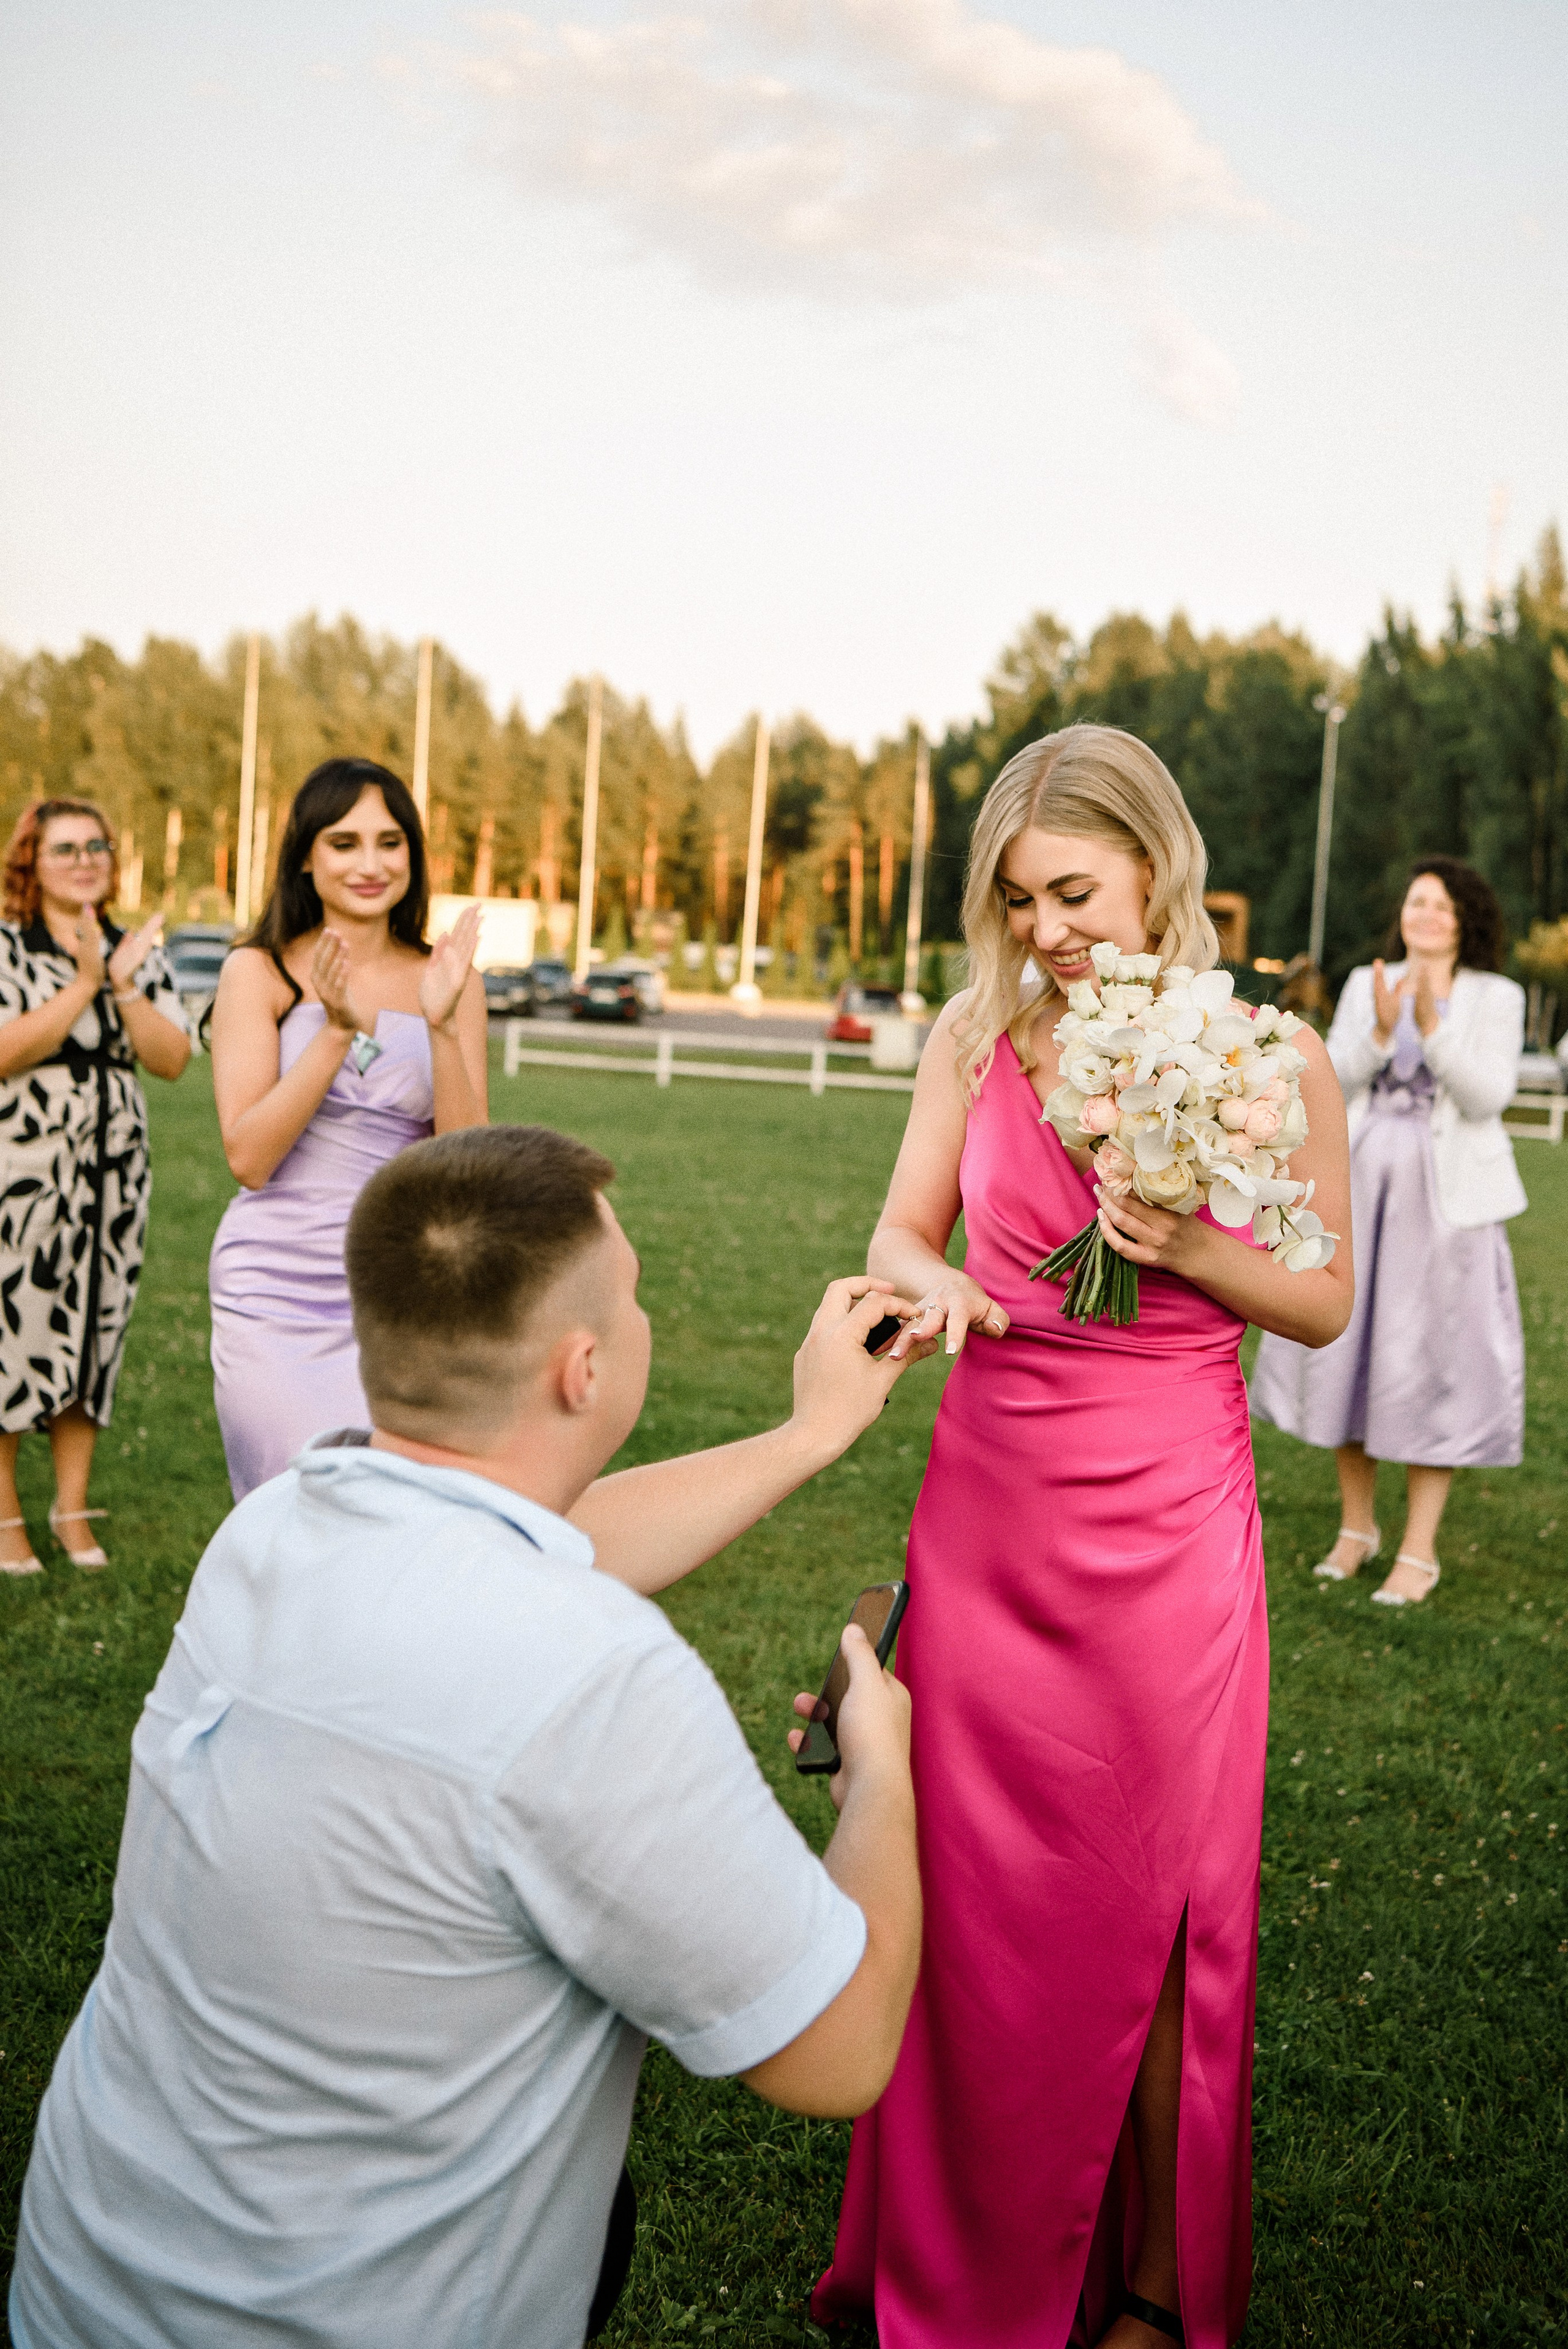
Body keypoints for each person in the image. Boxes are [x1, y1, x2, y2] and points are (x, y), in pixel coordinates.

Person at [10, 1121, 925, 2349]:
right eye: (633, 1294)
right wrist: (882, 1772)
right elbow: (840, 2049)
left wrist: (806, 1433)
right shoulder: (593, 1675)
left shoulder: (272, 1531)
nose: (643, 1314)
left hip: (83, 2293)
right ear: (582, 1369)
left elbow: (550, 1542)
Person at [811, 726, 1354, 2349]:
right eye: (1017, 899)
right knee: (974, 1894)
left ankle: (1151, 2286)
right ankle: (962, 2255)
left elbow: (1322, 1301)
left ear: (1153, 865)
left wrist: (1188, 1247)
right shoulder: (974, 1037)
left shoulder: (1270, 1050)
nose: (1045, 928)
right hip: (988, 1508)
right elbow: (901, 1223)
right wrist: (936, 1280)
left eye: (1072, 891)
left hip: (1169, 1521)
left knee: (1167, 1903)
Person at [206, 757, 488, 1500]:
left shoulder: (452, 978)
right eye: (344, 843)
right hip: (275, 1288)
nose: (371, 864)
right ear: (305, 856)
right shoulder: (258, 972)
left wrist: (440, 1026)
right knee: (291, 1504)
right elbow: (249, 1158)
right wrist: (334, 1032)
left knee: (393, 1509)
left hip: (400, 1285)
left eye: (390, 842)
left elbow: (466, 1169)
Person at [1251, 857, 1525, 1605]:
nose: (1425, 914)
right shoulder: (1365, 983)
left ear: (1464, 919)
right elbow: (1331, 1082)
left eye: (1441, 905)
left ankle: (1418, 1548)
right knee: (1354, 1356)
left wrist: (1432, 1031)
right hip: (1363, 1187)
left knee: (1433, 1364)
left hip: (1447, 1204)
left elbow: (1488, 1098)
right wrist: (1377, 1030)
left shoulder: (1495, 996)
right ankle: (1356, 1528)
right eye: (1415, 902)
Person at [0, 798, 190, 1576]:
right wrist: (83, 984)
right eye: (65, 848)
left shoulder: (136, 949)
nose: (84, 861)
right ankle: (5, 1517)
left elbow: (171, 1061)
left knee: (93, 1334)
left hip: (114, 1175)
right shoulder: (7, 948)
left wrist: (122, 985)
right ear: (32, 862)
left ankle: (71, 1508)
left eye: (96, 847)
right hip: (21, 1175)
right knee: (12, 1334)